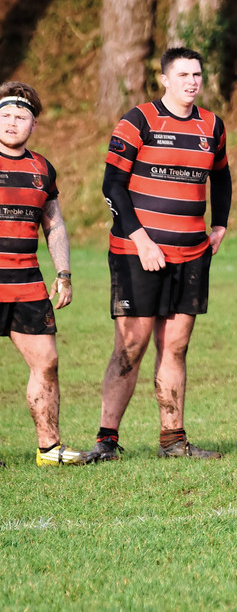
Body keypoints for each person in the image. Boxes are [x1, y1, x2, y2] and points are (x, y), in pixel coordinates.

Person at [87, 47, 233, 462]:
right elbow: (112, 185)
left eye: (198, 75)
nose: (192, 81)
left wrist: (219, 223)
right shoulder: (139, 121)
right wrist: (142, 240)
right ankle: (107, 440)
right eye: (184, 74)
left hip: (191, 253)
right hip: (138, 253)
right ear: (165, 79)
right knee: (131, 345)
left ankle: (173, 440)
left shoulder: (212, 125)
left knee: (176, 346)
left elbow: (221, 177)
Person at [0, 82, 88, 467]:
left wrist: (64, 273)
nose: (11, 123)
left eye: (20, 117)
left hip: (27, 283)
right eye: (4, 115)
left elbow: (54, 225)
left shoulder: (41, 168)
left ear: (33, 124)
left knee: (47, 361)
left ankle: (50, 449)